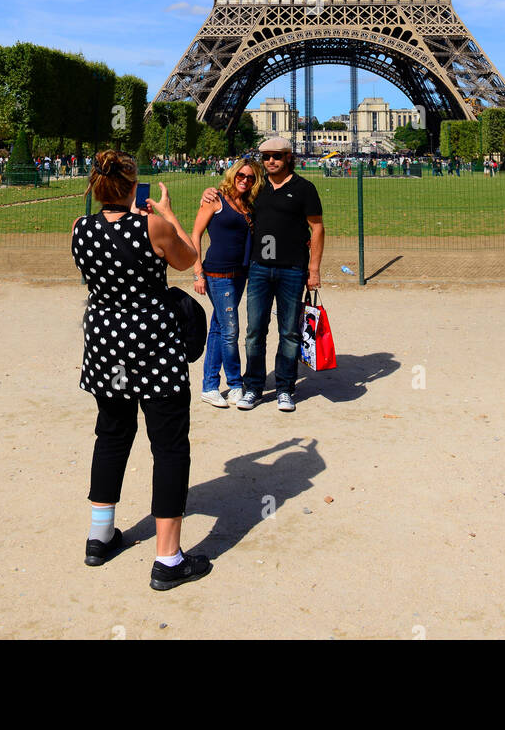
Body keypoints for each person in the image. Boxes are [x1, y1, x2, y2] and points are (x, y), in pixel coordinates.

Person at [71, 148, 211, 591]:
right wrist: (168, 215)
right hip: (152, 344)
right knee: (169, 445)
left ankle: (99, 536)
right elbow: (189, 259)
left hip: (106, 343)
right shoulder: (152, 224)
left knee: (111, 434)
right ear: (133, 186)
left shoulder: (80, 228)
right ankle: (167, 559)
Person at [199, 136, 323, 413]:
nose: (270, 161)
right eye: (265, 156)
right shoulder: (257, 187)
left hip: (293, 269)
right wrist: (210, 191)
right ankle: (253, 386)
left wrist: (313, 269)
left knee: (289, 332)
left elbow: (317, 228)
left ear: (289, 156)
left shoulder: (305, 188)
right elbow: (230, 193)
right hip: (257, 268)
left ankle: (284, 388)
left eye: (277, 156)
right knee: (255, 331)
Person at [191, 157, 266, 408]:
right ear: (233, 175)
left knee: (220, 328)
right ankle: (234, 384)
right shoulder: (215, 199)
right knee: (231, 330)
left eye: (250, 178)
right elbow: (196, 233)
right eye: (241, 176)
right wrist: (197, 271)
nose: (245, 180)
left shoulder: (249, 203)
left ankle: (209, 386)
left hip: (240, 272)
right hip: (217, 273)